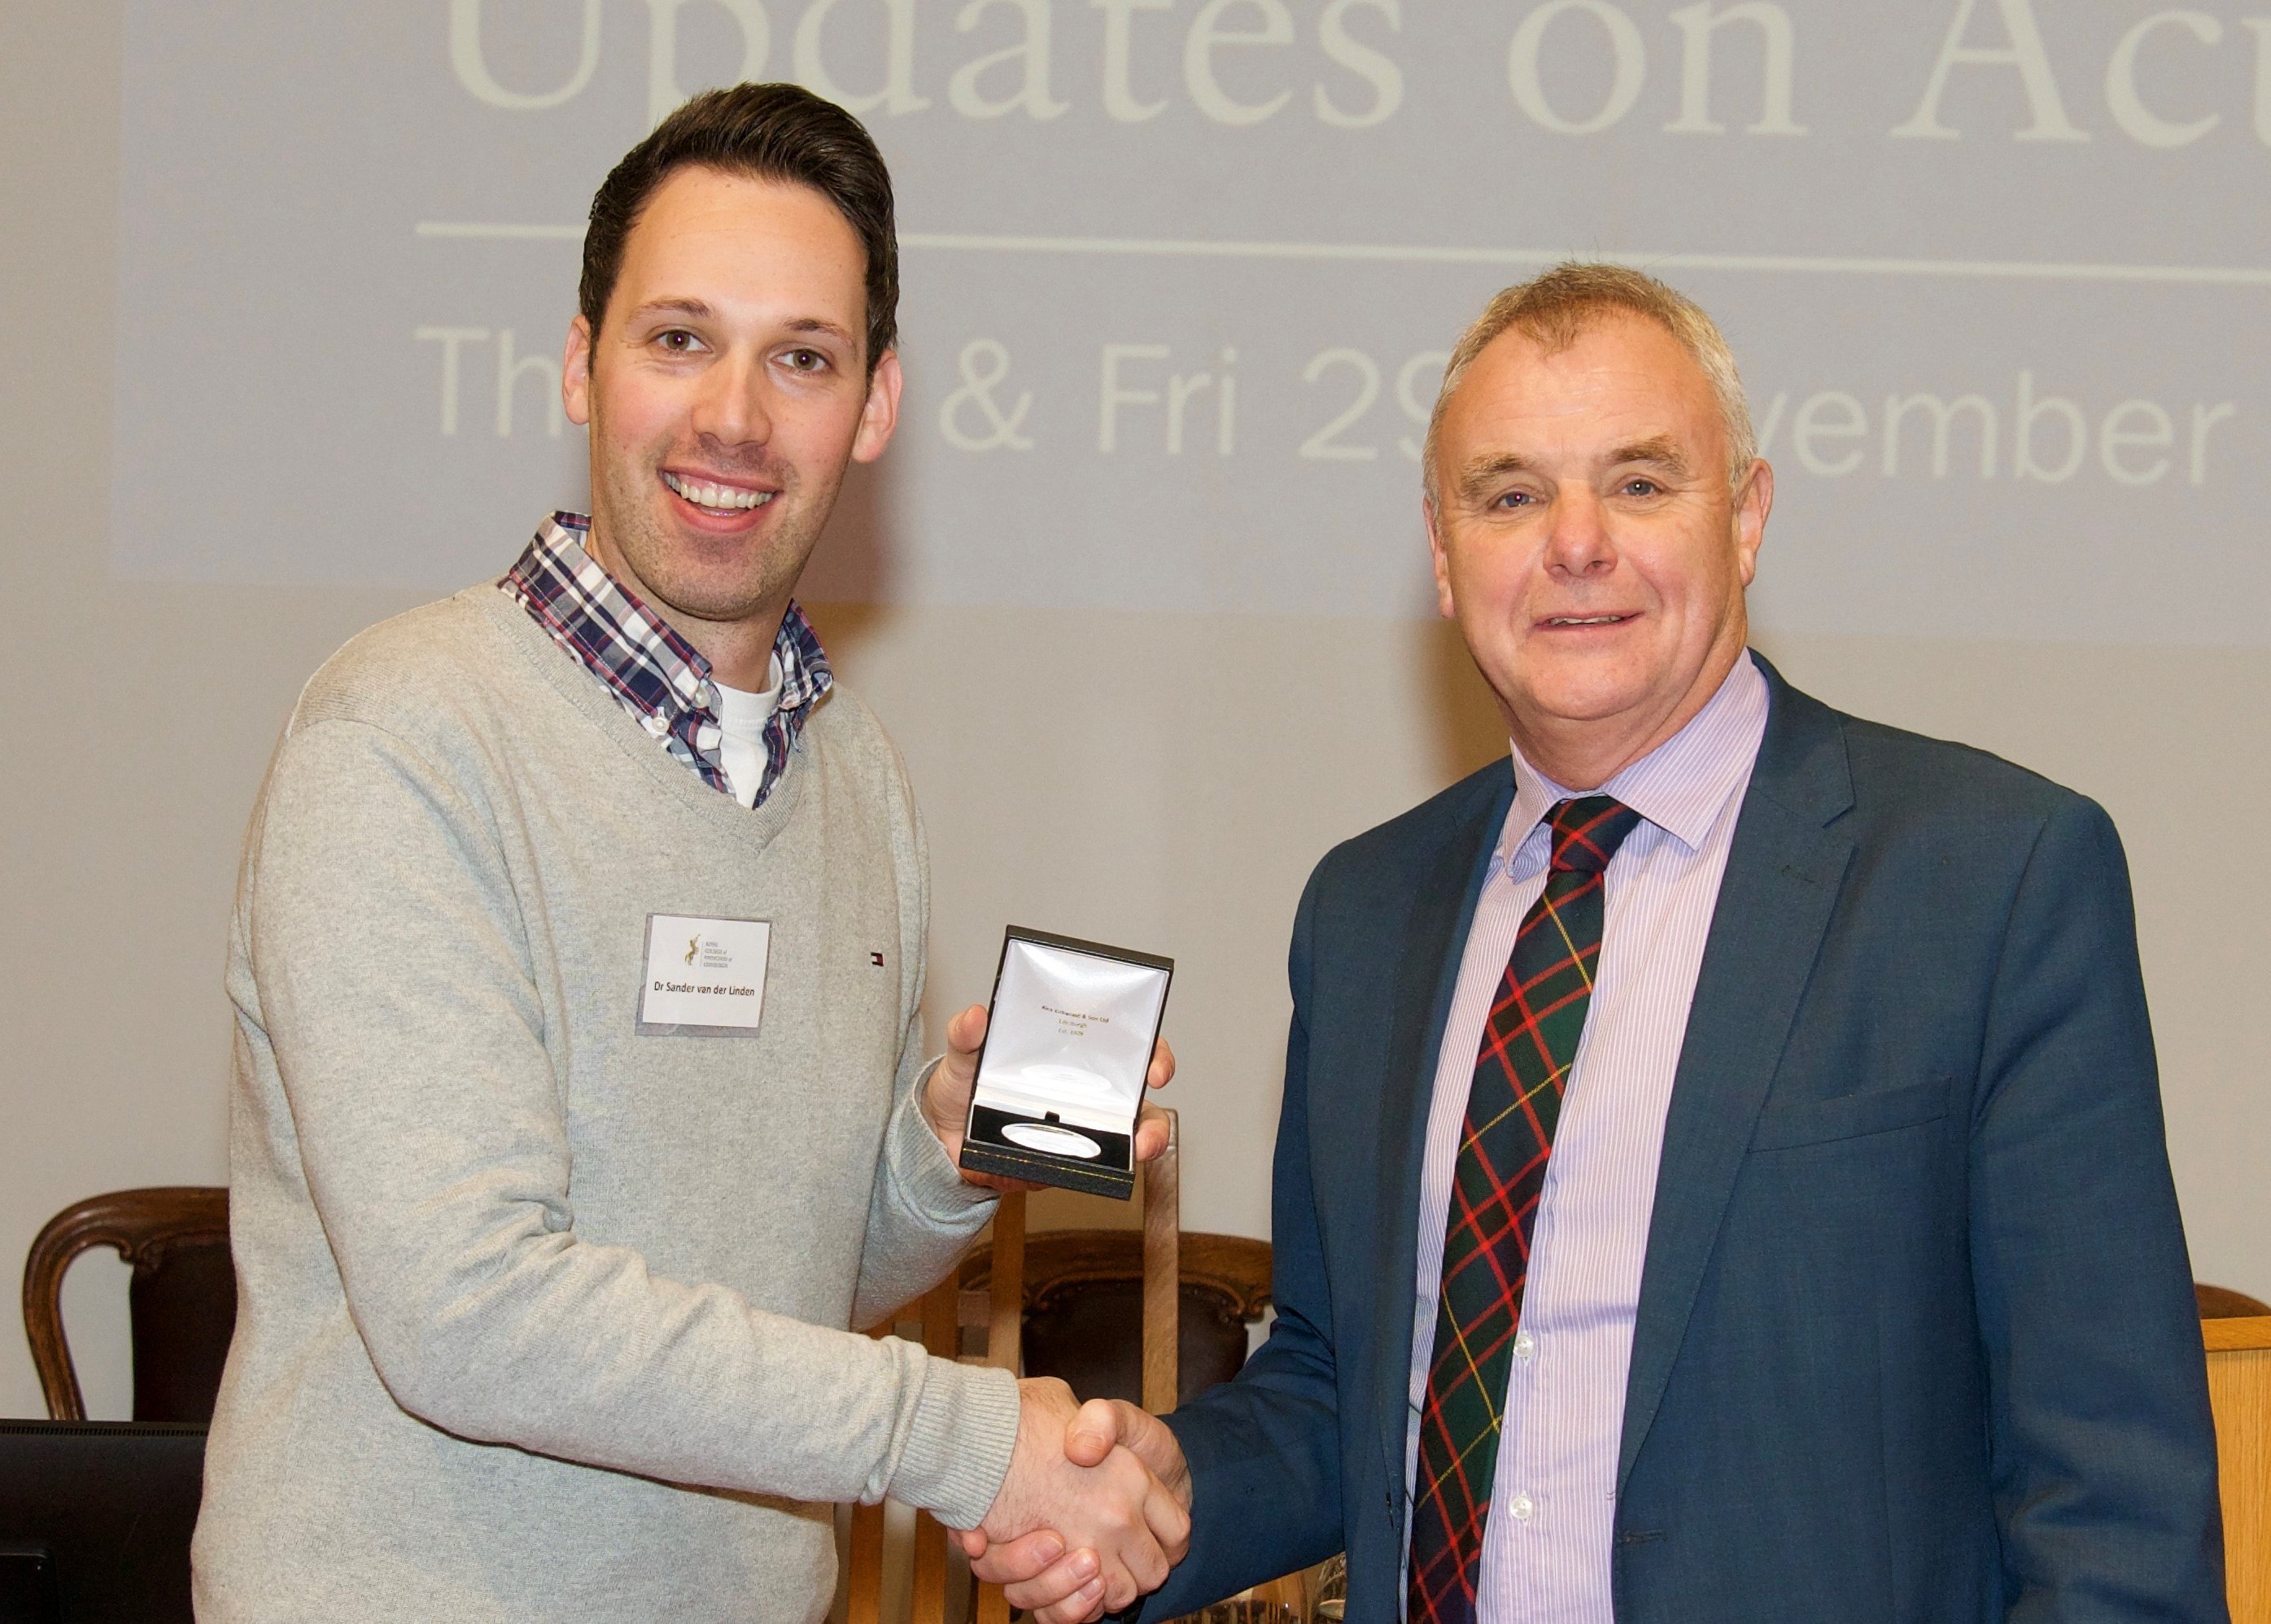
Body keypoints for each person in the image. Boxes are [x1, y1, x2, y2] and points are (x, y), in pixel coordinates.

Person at [977, 264, 2227, 1623]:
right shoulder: (1365, 910)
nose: (1576, 543)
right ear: (1445, 556)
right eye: (1511, 494)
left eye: (1639, 483)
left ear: (1745, 517)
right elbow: (1346, 1391)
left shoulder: (1988, 878)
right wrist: (1167, 1486)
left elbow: (2116, 1503)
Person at [193, 83, 1186, 1623]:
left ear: (874, 405)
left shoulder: (858, 779)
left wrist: (935, 1160)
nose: (734, 414)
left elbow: (776, 1292)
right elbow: (473, 1314)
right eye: (679, 338)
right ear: (581, 364)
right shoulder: (401, 739)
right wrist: (975, 1438)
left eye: (802, 357)